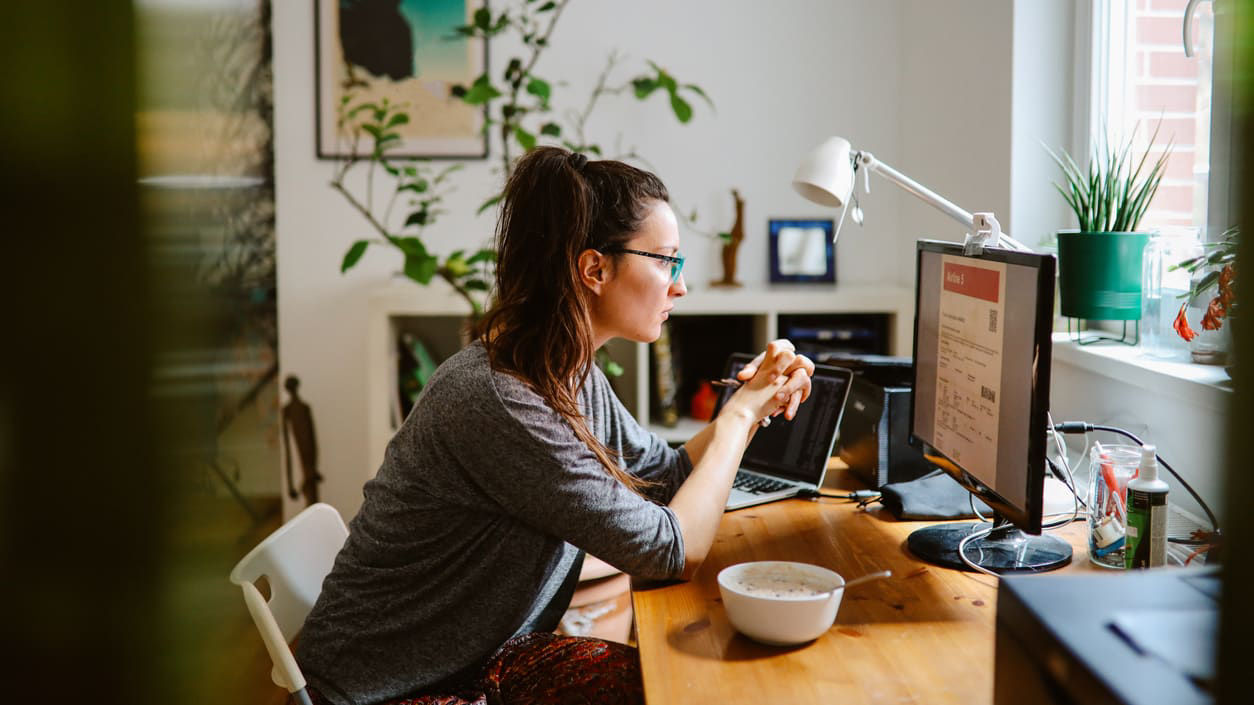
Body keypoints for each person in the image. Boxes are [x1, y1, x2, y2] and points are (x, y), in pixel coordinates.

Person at [295, 147, 815, 705]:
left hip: (476, 659)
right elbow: (672, 552)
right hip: (386, 692)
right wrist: (736, 416)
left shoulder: (564, 370)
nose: (679, 286)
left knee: (681, 683)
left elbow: (662, 476)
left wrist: (751, 404)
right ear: (594, 269)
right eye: (666, 261)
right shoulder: (501, 400)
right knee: (678, 686)